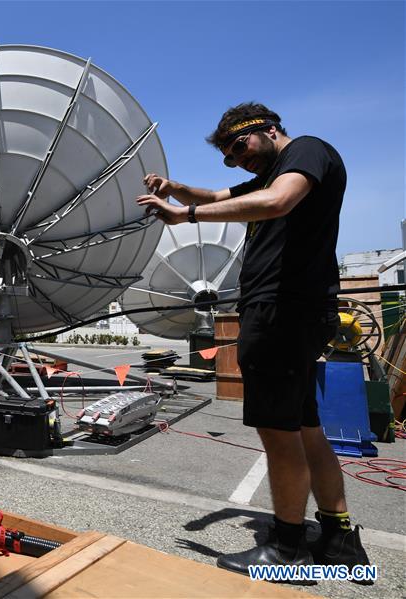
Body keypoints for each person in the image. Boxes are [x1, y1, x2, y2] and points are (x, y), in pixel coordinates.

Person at [136, 103, 371, 581]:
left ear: (269, 129)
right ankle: (339, 538)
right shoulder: (271, 174)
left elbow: (277, 201)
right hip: (294, 311)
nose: (238, 160)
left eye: (241, 146)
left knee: (278, 433)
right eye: (229, 157)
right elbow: (219, 194)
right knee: (305, 428)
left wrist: (186, 215)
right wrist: (177, 188)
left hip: (281, 310)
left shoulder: (305, 152)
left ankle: (286, 548)